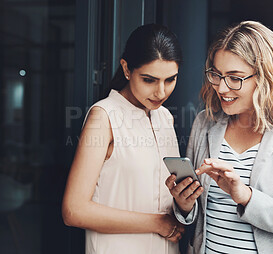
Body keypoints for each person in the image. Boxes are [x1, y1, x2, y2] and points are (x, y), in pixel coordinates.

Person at [165, 21, 273, 254]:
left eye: (235, 78)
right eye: (217, 75)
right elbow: (197, 219)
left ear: (266, 77)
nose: (222, 88)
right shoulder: (205, 122)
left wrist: (246, 196)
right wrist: (184, 205)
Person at [62, 24, 185, 254]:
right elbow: (73, 210)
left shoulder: (165, 117)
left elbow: (161, 198)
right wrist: (157, 223)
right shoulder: (104, 116)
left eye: (170, 79)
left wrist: (184, 205)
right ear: (127, 69)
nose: (161, 92)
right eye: (149, 80)